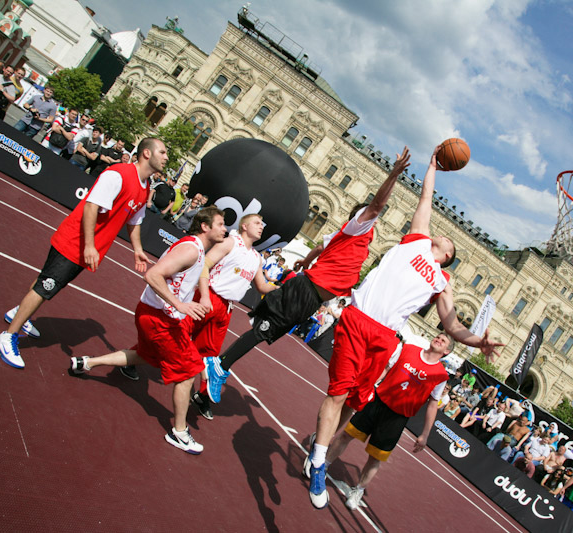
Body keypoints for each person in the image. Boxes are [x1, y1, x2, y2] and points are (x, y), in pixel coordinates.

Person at [304, 145, 504, 508]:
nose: (440, 234)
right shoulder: (416, 240)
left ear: (448, 256)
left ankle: (321, 445)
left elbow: (454, 325)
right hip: (359, 318)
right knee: (337, 393)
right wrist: (432, 166)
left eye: (446, 241)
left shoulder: (442, 281)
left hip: (384, 337)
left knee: (355, 401)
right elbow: (426, 196)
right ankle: (318, 460)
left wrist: (479, 344)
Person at [203, 147, 414, 405]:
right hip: (308, 289)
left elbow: (320, 247)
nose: (376, 219)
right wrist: (393, 174)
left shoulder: (350, 238)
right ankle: (220, 365)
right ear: (362, 216)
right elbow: (377, 205)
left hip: (311, 296)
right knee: (262, 331)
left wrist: (307, 260)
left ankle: (215, 374)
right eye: (373, 215)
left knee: (266, 332)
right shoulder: (360, 226)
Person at [0, 138, 168, 369]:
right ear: (146, 153)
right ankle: (7, 337)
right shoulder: (118, 175)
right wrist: (90, 245)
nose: (166, 157)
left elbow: (134, 221)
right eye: (162, 152)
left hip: (84, 249)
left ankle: (19, 314)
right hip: (74, 242)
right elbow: (91, 207)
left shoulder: (145, 189)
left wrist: (138, 250)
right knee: (47, 285)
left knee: (48, 282)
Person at [68, 206, 227, 454]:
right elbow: (153, 275)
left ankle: (87, 362)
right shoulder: (190, 249)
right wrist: (180, 305)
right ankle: (180, 432)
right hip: (160, 318)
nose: (225, 229)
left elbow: (192, 275)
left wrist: (200, 297)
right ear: (205, 226)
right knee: (187, 373)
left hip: (151, 314)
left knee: (144, 356)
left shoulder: (195, 249)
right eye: (220, 224)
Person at [318, 334, 452, 511]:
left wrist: (425, 434)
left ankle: (358, 490)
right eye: (438, 336)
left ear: (446, 351)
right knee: (346, 435)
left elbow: (433, 405)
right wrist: (369, 386)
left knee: (375, 458)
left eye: (443, 341)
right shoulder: (408, 349)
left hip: (397, 418)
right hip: (378, 402)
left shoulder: (440, 376)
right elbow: (386, 369)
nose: (438, 340)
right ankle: (322, 467)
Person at [163, 213, 276, 418]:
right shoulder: (230, 243)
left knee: (210, 357)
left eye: (263, 223)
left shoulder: (257, 258)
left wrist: (285, 288)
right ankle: (137, 359)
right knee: (173, 336)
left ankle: (202, 397)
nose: (261, 227)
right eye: (257, 223)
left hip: (226, 308)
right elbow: (204, 264)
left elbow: (261, 285)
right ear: (244, 225)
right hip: (208, 297)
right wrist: (204, 295)